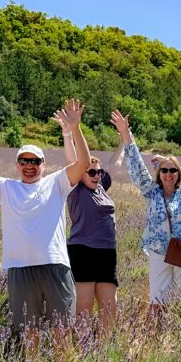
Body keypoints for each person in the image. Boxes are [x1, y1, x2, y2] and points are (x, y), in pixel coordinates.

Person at [0, 100, 91, 335]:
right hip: (19, 268)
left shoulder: (57, 183)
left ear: (44, 164)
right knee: (29, 334)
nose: (29, 166)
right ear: (17, 164)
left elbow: (83, 163)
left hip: (54, 265)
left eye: (35, 161)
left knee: (62, 333)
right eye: (24, 161)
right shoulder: (6, 187)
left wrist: (75, 128)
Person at [111, 110, 181, 308]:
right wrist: (126, 135)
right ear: (159, 174)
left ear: (178, 174)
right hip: (159, 251)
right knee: (157, 299)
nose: (168, 174)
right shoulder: (151, 192)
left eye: (173, 170)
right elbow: (136, 167)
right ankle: (156, 336)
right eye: (165, 170)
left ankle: (177, 335)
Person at [56, 113, 125, 331]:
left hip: (106, 252)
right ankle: (81, 348)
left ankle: (104, 351)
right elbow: (72, 160)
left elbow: (115, 164)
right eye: (91, 172)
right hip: (82, 250)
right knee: (84, 306)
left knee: (109, 306)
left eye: (98, 172)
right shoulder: (76, 188)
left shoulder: (101, 186)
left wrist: (124, 138)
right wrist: (69, 132)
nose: (96, 175)